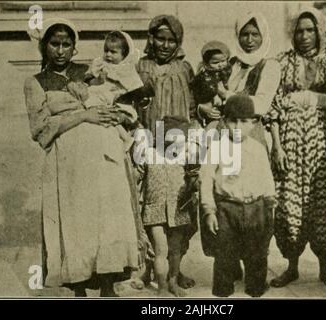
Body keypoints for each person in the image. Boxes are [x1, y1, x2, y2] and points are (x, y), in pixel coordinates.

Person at [24, 18, 142, 297]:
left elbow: (120, 98)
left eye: (67, 44)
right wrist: (83, 115)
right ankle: (77, 285)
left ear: (75, 47)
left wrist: (118, 115)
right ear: (44, 47)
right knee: (76, 219)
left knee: (106, 218)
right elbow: (39, 128)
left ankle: (107, 282)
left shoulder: (91, 71)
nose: (61, 50)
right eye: (54, 44)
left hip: (102, 157)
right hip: (67, 161)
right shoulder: (36, 82)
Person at [264, 8, 326, 288]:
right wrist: (277, 147)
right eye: (299, 31)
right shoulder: (280, 63)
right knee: (288, 206)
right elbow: (271, 107)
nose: (305, 36)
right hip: (290, 143)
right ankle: (292, 266)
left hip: (323, 145)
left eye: (310, 30)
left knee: (324, 206)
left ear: (320, 31)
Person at [136, 14, 198, 290]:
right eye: (159, 38)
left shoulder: (185, 69)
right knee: (151, 210)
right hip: (149, 144)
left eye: (171, 40)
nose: (164, 44)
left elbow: (195, 107)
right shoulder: (140, 67)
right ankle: (148, 268)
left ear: (178, 42)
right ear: (151, 39)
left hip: (178, 147)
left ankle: (175, 270)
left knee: (180, 210)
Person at [200, 94, 277, 297]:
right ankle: (223, 291)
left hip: (256, 207)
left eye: (243, 121)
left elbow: (266, 177)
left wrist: (270, 201)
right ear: (224, 121)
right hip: (227, 208)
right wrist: (209, 210)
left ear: (253, 123)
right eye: (232, 120)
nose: (237, 126)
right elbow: (206, 179)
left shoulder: (258, 148)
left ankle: (256, 287)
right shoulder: (217, 147)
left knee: (257, 253)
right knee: (224, 254)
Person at [196, 12, 281, 149]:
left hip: (250, 134)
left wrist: (226, 95)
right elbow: (206, 91)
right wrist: (203, 108)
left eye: (255, 34)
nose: (249, 40)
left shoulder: (270, 66)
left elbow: (261, 105)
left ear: (263, 36)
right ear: (237, 36)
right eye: (244, 34)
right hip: (221, 132)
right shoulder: (230, 63)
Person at [141, 116, 199, 297]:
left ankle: (173, 282)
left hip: (178, 209)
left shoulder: (185, 157)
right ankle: (162, 287)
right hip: (155, 209)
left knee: (175, 250)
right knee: (160, 250)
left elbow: (194, 178)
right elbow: (137, 178)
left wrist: (194, 184)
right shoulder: (149, 154)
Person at [190, 41, 232, 126]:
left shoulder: (226, 70)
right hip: (209, 103)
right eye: (215, 63)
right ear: (206, 63)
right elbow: (204, 88)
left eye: (223, 61)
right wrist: (214, 96)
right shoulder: (204, 75)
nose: (220, 65)